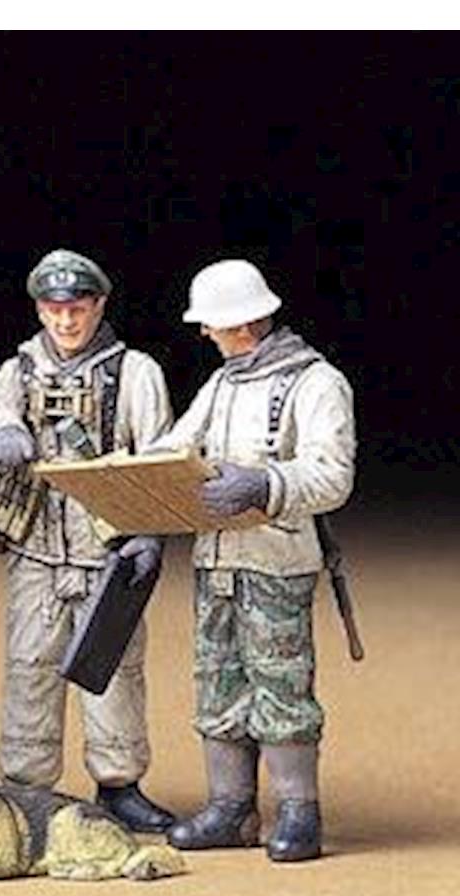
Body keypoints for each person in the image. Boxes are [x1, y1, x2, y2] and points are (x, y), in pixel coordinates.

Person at [149, 259, 355, 863]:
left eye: (211, 323)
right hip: (217, 561)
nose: (204, 333)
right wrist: (138, 491)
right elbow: (177, 446)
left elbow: (332, 475)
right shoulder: (223, 384)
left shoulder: (315, 383)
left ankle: (298, 810)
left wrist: (266, 484)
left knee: (281, 682)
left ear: (241, 324)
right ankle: (231, 806)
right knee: (218, 680)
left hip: (276, 561)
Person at [0, 248, 175, 833]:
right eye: (55, 309)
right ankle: (25, 789)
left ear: (99, 306)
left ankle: (119, 785)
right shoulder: (20, 370)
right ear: (40, 309)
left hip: (107, 554)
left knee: (114, 669)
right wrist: (3, 438)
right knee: (29, 667)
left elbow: (160, 454)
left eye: (77, 309)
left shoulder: (135, 373)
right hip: (37, 550)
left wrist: (149, 532)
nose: (66, 321)